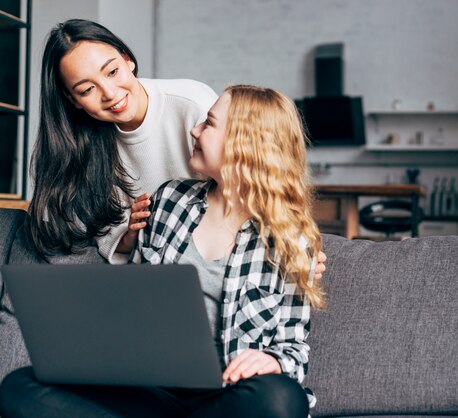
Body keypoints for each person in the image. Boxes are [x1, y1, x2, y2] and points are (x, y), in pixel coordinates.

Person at [0, 85, 324, 418]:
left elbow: (294, 350)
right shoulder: (169, 201)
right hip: (148, 390)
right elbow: (135, 300)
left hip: (225, 396)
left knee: (282, 400)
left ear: (245, 144)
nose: (194, 129)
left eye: (209, 123)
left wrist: (273, 360)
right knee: (21, 386)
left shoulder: (291, 239)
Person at [26, 18, 327, 275]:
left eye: (113, 71)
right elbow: (77, 229)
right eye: (87, 89)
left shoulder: (191, 106)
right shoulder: (78, 144)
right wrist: (130, 236)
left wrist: (291, 242)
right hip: (147, 265)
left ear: (127, 59)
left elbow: (251, 173)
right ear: (71, 99)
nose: (109, 93)